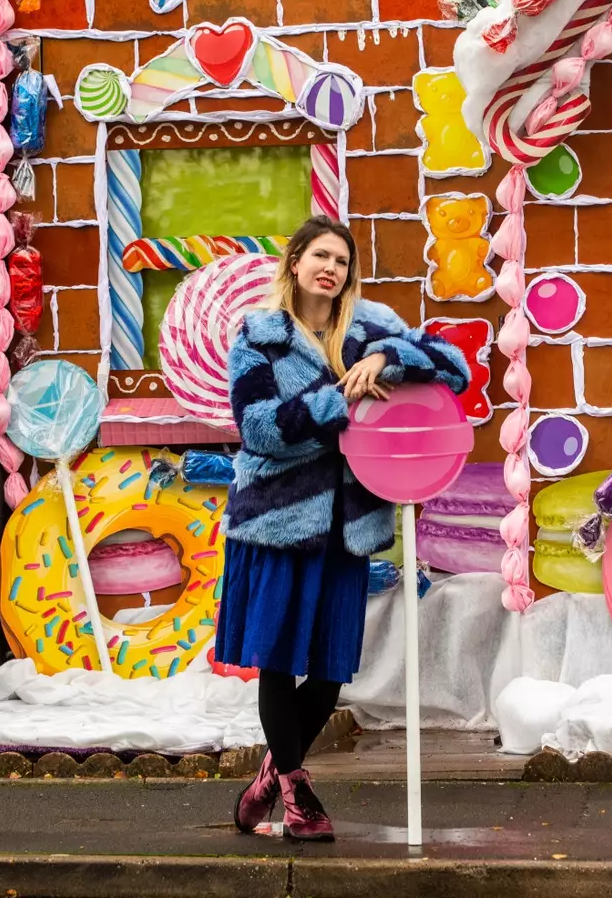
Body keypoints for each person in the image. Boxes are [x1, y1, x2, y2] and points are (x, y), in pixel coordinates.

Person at [217, 216, 470, 842]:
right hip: (275, 523)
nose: (331, 269)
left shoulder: (371, 326)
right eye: (320, 256)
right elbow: (259, 429)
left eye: (342, 260)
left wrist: (388, 357)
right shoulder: (260, 335)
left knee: (330, 669)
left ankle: (270, 776)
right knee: (278, 662)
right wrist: (342, 400)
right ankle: (299, 795)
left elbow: (455, 367)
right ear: (295, 261)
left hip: (348, 526)